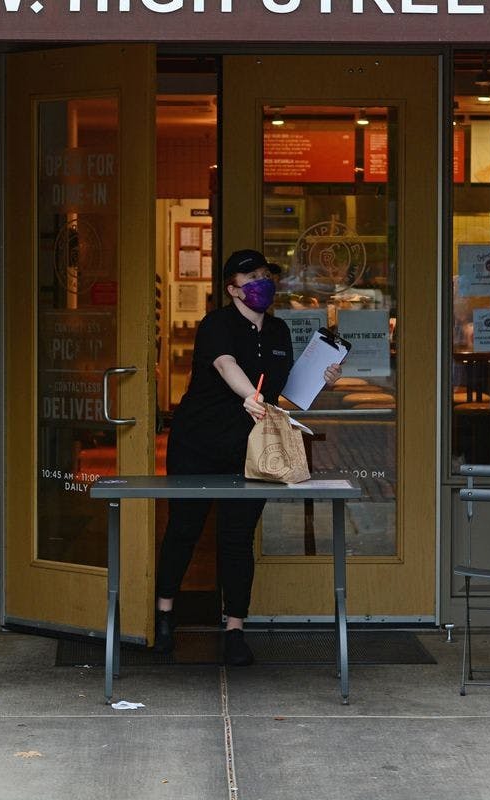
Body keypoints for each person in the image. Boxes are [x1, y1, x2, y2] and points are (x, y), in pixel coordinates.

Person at [153, 249, 341, 666]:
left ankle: (235, 628)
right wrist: (249, 396)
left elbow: (288, 390)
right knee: (184, 528)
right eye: (251, 277)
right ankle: (164, 615)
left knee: (237, 538)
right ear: (233, 289)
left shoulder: (278, 331)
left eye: (265, 275)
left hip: (250, 450)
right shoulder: (216, 324)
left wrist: (324, 378)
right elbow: (225, 364)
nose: (262, 283)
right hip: (197, 446)